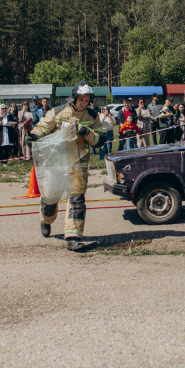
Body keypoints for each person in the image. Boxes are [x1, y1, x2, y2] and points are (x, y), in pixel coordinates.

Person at [27, 81, 105, 252]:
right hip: (55, 162)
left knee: (77, 200)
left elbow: (99, 141)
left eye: (87, 100)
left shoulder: (92, 116)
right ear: (74, 97)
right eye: (81, 99)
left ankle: (73, 237)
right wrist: (33, 136)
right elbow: (43, 127)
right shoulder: (57, 111)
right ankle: (46, 219)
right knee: (49, 197)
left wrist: (87, 132)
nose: (84, 103)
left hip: (78, 164)